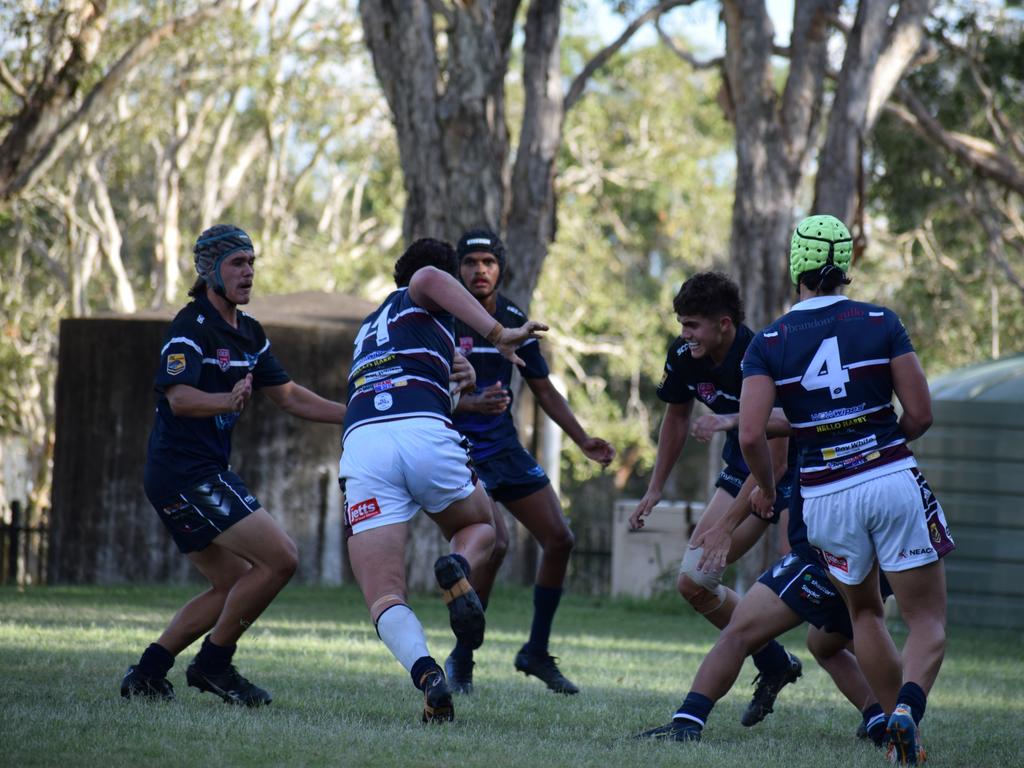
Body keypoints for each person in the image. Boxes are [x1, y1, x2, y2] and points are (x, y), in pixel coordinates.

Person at [739, 214, 955, 765]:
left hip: (823, 497)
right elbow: (922, 414)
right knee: (926, 618)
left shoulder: (767, 341)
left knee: (864, 618)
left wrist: (767, 486)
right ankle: (907, 709)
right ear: (846, 264)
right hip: (889, 479)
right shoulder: (881, 321)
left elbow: (750, 433)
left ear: (797, 267)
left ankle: (895, 738)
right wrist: (881, 447)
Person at [121, 224, 346, 706]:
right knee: (281, 558)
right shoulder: (190, 326)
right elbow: (179, 398)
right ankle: (213, 665)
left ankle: (147, 673)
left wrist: (357, 417)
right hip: (185, 473)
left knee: (232, 583)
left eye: (251, 263)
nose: (248, 273)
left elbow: (288, 396)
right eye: (237, 264)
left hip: (194, 473)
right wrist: (226, 399)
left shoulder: (250, 333)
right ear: (209, 271)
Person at [339, 237, 546, 722]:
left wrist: (463, 386)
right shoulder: (426, 290)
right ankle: (456, 566)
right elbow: (430, 279)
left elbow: (409, 380)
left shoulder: (372, 327)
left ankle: (429, 675)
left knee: (384, 596)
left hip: (364, 444)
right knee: (481, 530)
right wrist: (497, 332)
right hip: (423, 433)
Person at [443, 229, 615, 696]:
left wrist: (582, 439)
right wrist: (470, 405)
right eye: (471, 262)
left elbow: (541, 388)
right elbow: (420, 396)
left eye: (488, 262)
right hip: (456, 452)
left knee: (560, 539)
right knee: (495, 546)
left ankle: (535, 652)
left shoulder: (515, 318)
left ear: (501, 268)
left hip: (504, 449)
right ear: (457, 269)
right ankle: (461, 660)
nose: (479, 270)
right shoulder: (442, 318)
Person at [628, 271, 800, 725]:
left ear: (724, 324)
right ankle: (775, 662)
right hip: (743, 468)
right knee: (694, 578)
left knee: (818, 597)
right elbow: (677, 419)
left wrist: (729, 524)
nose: (684, 335)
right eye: (681, 324)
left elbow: (777, 460)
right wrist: (655, 487)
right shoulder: (685, 356)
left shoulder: (762, 354)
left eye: (693, 325)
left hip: (792, 473)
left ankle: (881, 709)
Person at [636, 476, 889, 746]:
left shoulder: (798, 438)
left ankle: (687, 723)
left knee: (738, 632)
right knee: (827, 644)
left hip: (824, 548)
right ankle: (887, 721)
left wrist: (730, 521)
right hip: (876, 546)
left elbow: (767, 449)